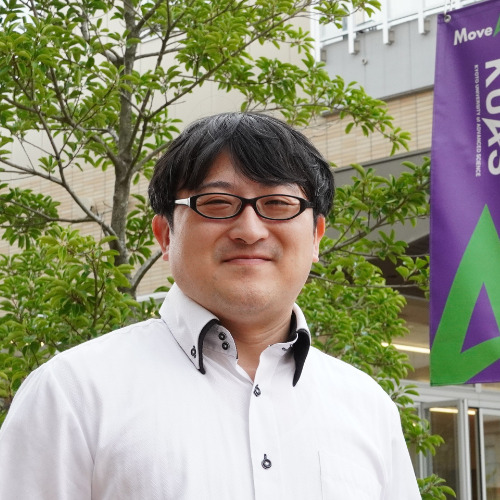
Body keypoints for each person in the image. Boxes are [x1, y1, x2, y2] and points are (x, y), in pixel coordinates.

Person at [0, 112, 420, 499]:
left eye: (277, 204)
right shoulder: (72, 394)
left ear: (316, 237)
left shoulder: (367, 406)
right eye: (217, 203)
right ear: (165, 235)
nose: (250, 230)